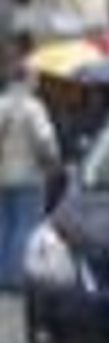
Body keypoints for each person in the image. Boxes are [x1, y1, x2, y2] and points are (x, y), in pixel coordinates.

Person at [0, 46, 61, 287]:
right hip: (28, 176)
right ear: (26, 79)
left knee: (5, 225)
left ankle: (3, 275)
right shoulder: (33, 107)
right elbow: (45, 141)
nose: (37, 82)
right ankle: (17, 278)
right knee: (26, 226)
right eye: (35, 78)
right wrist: (53, 163)